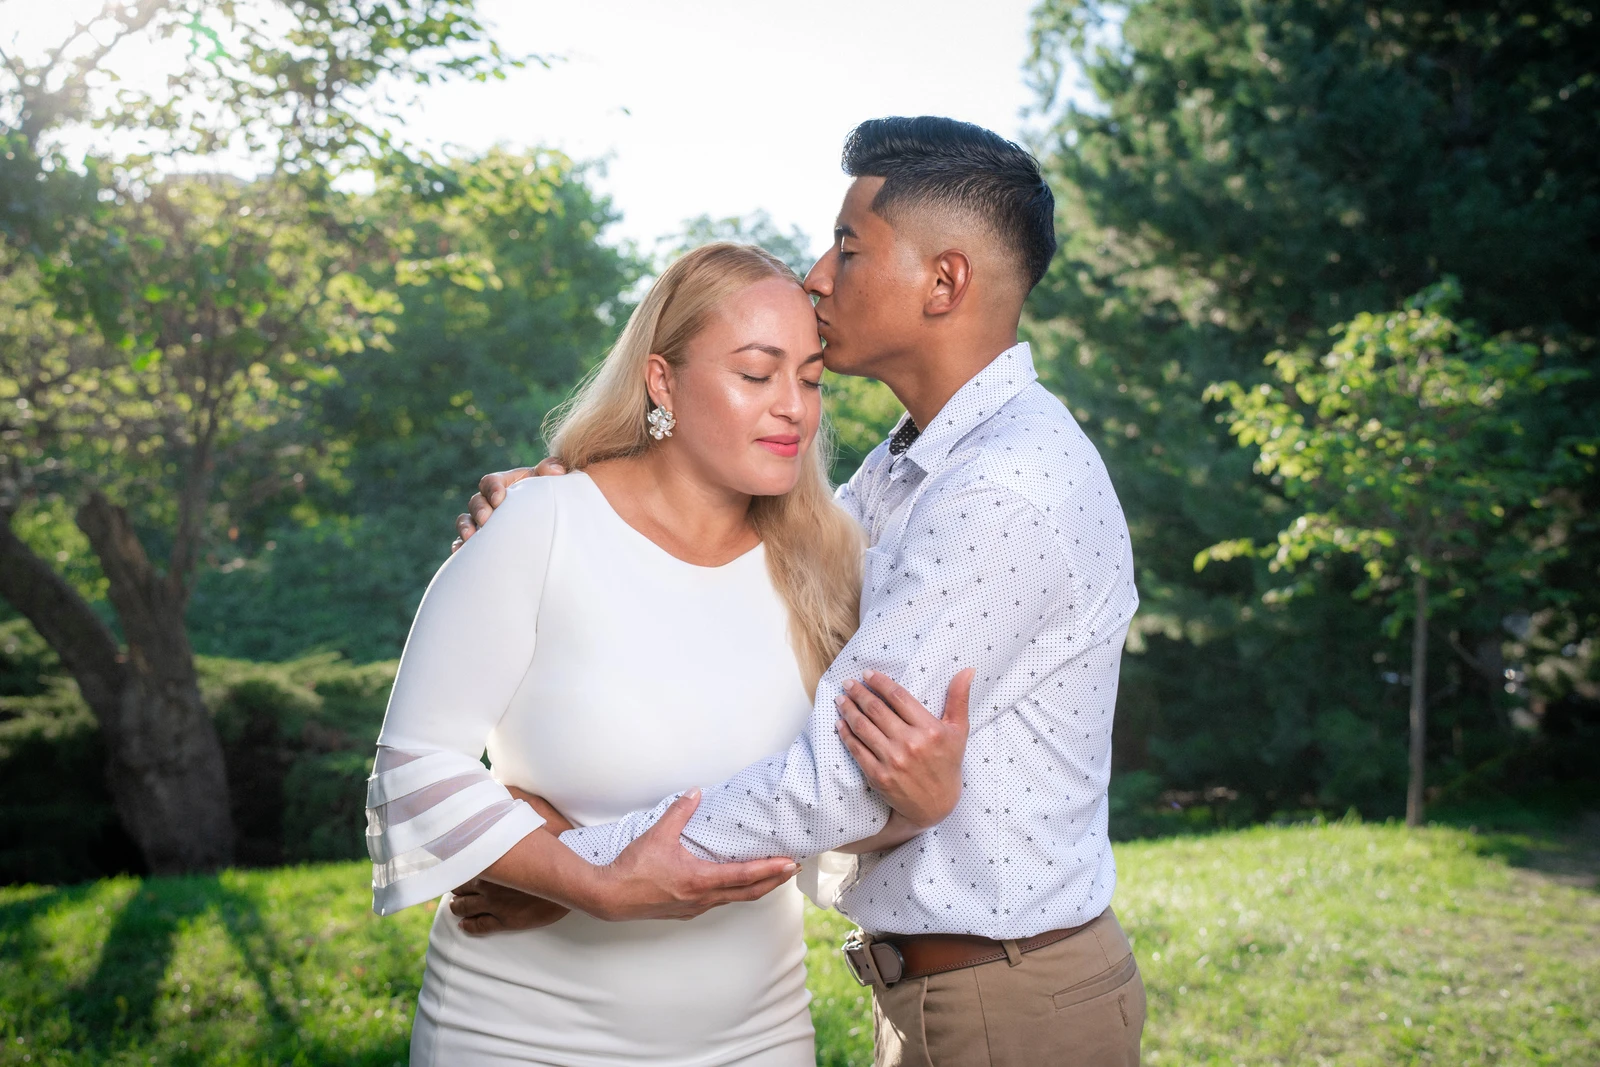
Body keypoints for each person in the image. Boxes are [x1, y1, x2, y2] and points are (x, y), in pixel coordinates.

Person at [457, 117, 1146, 1066]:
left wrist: (570, 867)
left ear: (945, 282)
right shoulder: (918, 464)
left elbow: (841, 781)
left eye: (850, 247)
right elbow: (756, 535)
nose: (818, 275)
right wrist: (563, 487)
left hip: (1007, 1002)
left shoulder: (1001, 490)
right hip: (950, 989)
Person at [367, 240, 971, 1066]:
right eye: (757, 374)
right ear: (662, 381)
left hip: (758, 1039)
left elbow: (836, 794)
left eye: (811, 378)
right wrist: (585, 882)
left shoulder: (834, 564)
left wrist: (923, 800)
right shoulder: (539, 524)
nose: (793, 406)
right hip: (518, 1038)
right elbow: (415, 763)